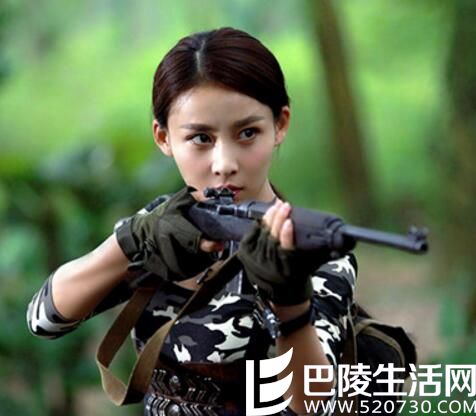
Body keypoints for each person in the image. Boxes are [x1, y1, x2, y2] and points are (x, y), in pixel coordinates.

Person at [27, 27, 357, 416]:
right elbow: (45, 320)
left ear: (280, 125)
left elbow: (315, 405)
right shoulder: (164, 224)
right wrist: (132, 240)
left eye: (247, 133)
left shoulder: (314, 249)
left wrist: (290, 304)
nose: (224, 164)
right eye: (201, 138)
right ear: (163, 137)